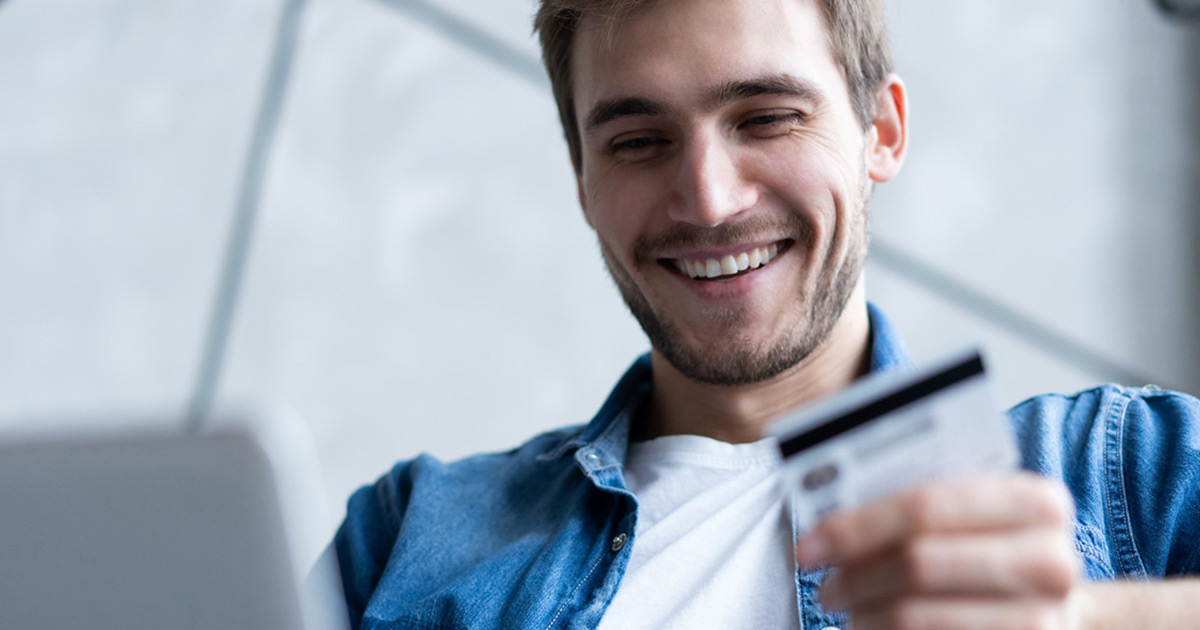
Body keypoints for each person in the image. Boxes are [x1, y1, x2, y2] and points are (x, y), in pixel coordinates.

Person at [333, 0, 1200, 628]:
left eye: (768, 117)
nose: (708, 200)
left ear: (881, 133)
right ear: (582, 180)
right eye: (638, 142)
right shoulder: (409, 529)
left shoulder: (1124, 473)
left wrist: (1088, 618)